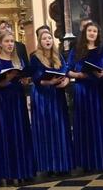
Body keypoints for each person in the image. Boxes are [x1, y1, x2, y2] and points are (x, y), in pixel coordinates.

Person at [67, 22, 103, 172]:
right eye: (89, 30)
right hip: (83, 90)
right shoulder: (76, 49)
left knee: (100, 124)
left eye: (95, 31)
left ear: (98, 34)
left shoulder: (102, 49)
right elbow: (68, 70)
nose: (92, 33)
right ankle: (87, 162)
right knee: (85, 125)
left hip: (99, 89)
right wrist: (78, 75)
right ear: (85, 32)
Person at [0, 32, 35, 184]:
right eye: (7, 41)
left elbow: (24, 79)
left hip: (17, 99)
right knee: (6, 133)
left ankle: (23, 171)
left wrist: (25, 79)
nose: (10, 44)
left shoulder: (18, 59)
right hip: (3, 100)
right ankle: (8, 173)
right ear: (0, 43)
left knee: (20, 131)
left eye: (12, 41)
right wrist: (8, 77)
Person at [29, 30, 73, 176]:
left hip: (57, 94)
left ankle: (62, 164)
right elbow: (36, 78)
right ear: (40, 41)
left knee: (59, 127)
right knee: (46, 129)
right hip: (42, 95)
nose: (47, 40)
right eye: (44, 39)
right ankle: (48, 165)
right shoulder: (35, 57)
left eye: (49, 38)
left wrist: (65, 80)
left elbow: (65, 71)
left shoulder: (57, 55)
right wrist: (50, 82)